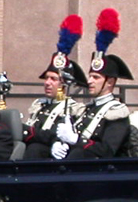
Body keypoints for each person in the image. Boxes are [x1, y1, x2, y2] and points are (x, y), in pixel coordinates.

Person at [52, 8, 133, 160]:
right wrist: (58, 143)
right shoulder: (87, 109)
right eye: (90, 76)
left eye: (96, 77)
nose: (89, 81)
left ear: (109, 82)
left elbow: (107, 151)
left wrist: (76, 140)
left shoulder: (116, 112)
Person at [23, 14, 87, 160]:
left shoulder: (73, 109)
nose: (47, 82)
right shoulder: (39, 105)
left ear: (63, 83)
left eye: (53, 79)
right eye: (46, 78)